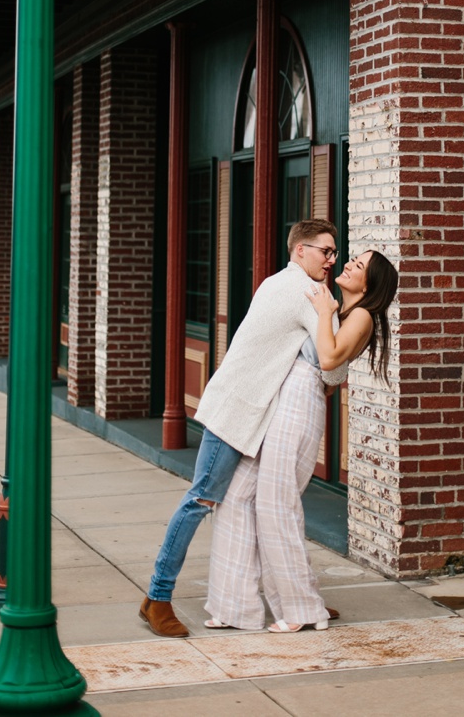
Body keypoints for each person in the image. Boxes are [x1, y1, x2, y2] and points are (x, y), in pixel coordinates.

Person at [137, 218, 339, 639]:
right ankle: (156, 598)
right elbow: (332, 366)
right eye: (325, 251)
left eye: (335, 253)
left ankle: (296, 597)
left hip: (244, 411)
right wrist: (331, 312)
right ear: (300, 250)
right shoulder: (308, 292)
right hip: (238, 414)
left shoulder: (273, 281)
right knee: (201, 500)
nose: (331, 261)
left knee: (241, 504)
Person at [204, 249, 398, 632]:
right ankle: (234, 606)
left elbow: (328, 361)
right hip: (281, 403)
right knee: (236, 496)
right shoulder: (339, 310)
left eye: (357, 266)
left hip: (297, 410)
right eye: (351, 259)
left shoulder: (360, 316)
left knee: (277, 506)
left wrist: (324, 312)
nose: (346, 264)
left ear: (369, 284)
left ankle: (301, 609)